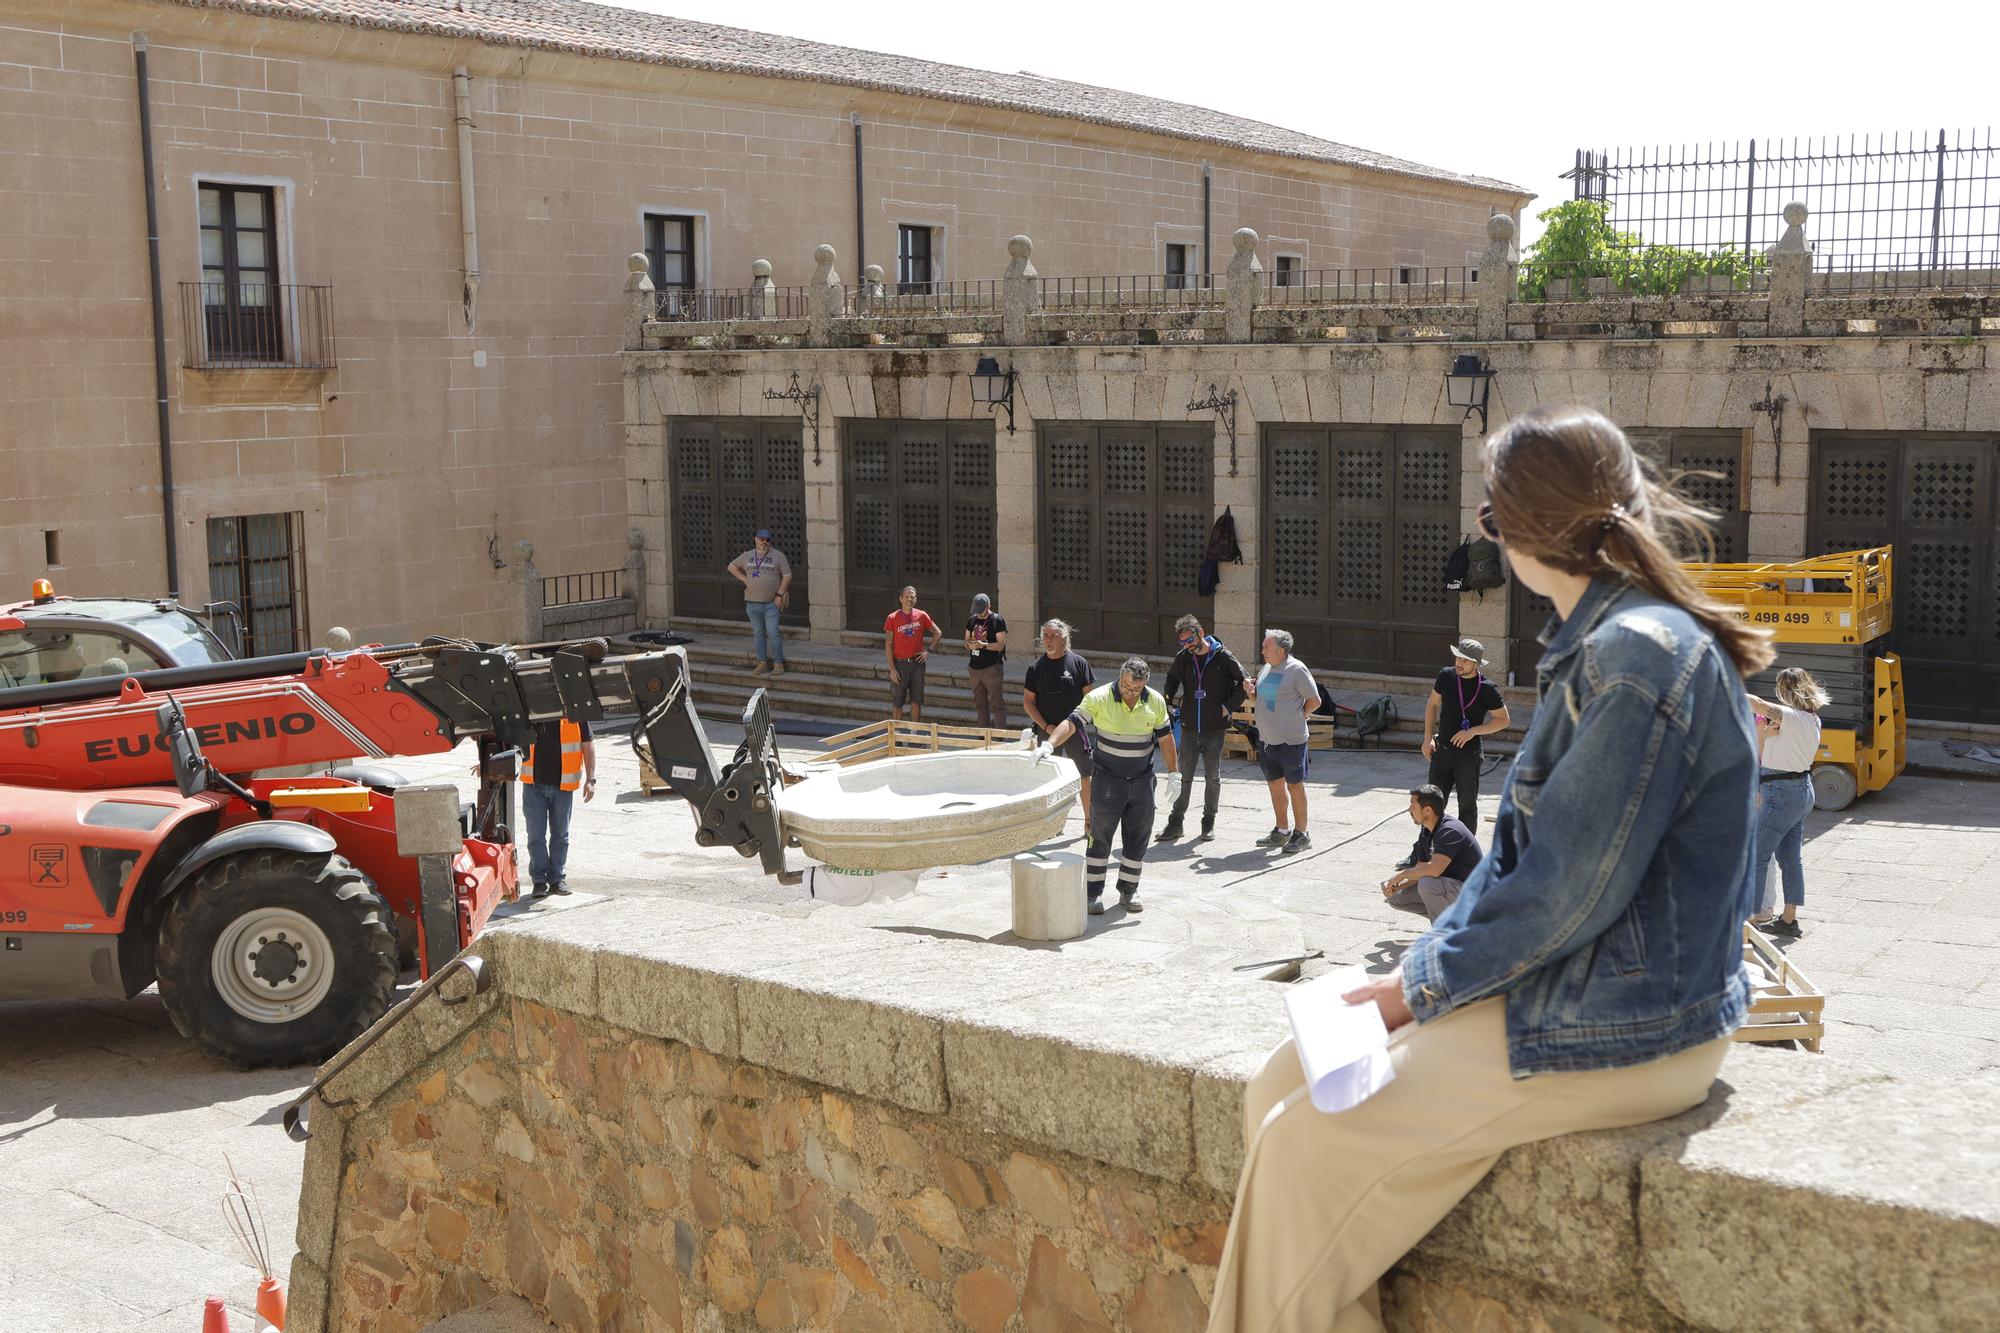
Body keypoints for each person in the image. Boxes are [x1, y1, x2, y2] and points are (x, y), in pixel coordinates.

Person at [1204, 406, 1773, 1333]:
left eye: (1487, 508)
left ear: (1517, 529)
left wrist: (1409, 992)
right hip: (1580, 988)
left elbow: (1563, 892)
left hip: (1629, 1022)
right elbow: (1531, 879)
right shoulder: (1610, 638)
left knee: (1305, 1144)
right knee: (1281, 1082)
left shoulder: (1634, 655)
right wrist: (1413, 979)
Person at [1040, 658, 1179, 916]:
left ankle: (1129, 889)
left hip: (1142, 780)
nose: (1131, 694)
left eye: (1137, 690)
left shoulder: (1155, 700)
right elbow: (1072, 722)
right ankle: (1092, 892)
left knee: (1139, 836)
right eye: (1127, 688)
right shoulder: (1100, 697)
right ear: (1120, 678)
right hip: (1107, 780)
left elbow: (1166, 737)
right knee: (1100, 835)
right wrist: (1050, 744)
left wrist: (1174, 773)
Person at [1747, 667, 1827, 937]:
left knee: (1757, 856)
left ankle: (1752, 921)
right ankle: (1789, 920)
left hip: (1780, 792)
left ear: (1785, 691)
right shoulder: (1811, 719)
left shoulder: (1791, 717)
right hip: (1801, 790)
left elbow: (1756, 704)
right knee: (1791, 859)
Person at [1158, 613, 1248, 844]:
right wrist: (1167, 701)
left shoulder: (1223, 656)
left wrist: (1228, 707)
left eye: (1189, 640)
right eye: (1182, 643)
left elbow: (1245, 682)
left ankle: (1208, 823)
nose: (1187, 646)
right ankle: (1175, 823)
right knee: (1183, 775)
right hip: (1189, 726)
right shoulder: (1183, 657)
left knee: (1212, 777)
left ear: (1201, 633)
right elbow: (1171, 680)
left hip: (1214, 727)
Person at [1421, 638, 1511, 828]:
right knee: (1431, 805)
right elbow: (1432, 704)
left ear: (1476, 664)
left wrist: (1473, 731)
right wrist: (1427, 738)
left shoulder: (1487, 688)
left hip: (1468, 756)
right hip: (1442, 751)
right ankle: (1422, 852)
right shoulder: (1446, 676)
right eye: (1458, 658)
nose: (1459, 663)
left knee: (1467, 806)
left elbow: (1503, 720)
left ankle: (1467, 855)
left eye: (1466, 660)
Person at [1252, 629, 1319, 854]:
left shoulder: (1296, 669)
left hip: (1291, 741)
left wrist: (1300, 715)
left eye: (1266, 647)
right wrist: (1252, 691)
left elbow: (1314, 700)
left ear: (1281, 651)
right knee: (1275, 784)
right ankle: (1282, 831)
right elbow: (1265, 699)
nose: (1262, 651)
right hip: (1268, 741)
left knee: (1294, 785)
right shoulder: (1267, 668)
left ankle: (1302, 834)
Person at [1022, 619, 1095, 818]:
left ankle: (1089, 821)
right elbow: (1028, 702)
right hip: (1047, 733)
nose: (1049, 640)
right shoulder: (1035, 668)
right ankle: (1052, 823)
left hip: (1075, 731)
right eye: (1046, 636)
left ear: (1065, 638)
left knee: (1085, 776)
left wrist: (1077, 722)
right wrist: (1046, 726)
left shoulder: (1079, 663)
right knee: (1047, 779)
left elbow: (1090, 699)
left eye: (1054, 635)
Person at [521, 716, 598, 897]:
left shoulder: (575, 714)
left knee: (560, 835)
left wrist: (591, 779)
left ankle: (557, 879)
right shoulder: (529, 711)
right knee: (536, 836)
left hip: (562, 786)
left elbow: (588, 744)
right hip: (533, 785)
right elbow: (509, 739)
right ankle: (539, 880)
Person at [1380, 785, 1482, 922]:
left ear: (1427, 810)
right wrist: (1395, 886)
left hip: (1474, 895)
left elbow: (1434, 870)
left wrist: (1402, 874)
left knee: (1428, 885)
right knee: (1395, 897)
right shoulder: (1426, 830)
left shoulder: (1450, 830)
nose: (1409, 810)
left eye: (1413, 806)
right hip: (1451, 890)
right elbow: (1420, 871)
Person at [726, 528, 792, 677]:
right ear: (755, 539)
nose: (764, 542)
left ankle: (778, 663)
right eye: (761, 539)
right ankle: (762, 662)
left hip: (771, 603)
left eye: (767, 540)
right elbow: (731, 567)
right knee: (758, 633)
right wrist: (744, 579)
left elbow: (787, 576)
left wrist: (779, 593)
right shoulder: (747, 555)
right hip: (752, 603)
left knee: (773, 633)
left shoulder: (778, 556)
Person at [883, 585, 941, 721]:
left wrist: (929, 650)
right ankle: (896, 737)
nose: (910, 599)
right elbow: (888, 645)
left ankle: (914, 737)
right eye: (907, 596)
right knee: (898, 703)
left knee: (916, 702)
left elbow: (938, 633)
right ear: (901, 599)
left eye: (912, 596)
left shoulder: (922, 615)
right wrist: (892, 669)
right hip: (900, 665)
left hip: (917, 665)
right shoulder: (892, 618)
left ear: (916, 599)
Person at [964, 593, 1009, 729]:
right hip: (974, 668)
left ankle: (999, 736)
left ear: (989, 606)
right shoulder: (972, 620)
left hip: (991, 667)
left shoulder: (997, 620)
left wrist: (982, 645)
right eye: (976, 611)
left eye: (981, 610)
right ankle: (983, 734)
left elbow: (1000, 645)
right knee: (980, 703)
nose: (978, 614)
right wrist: (970, 645)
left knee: (997, 703)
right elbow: (966, 641)